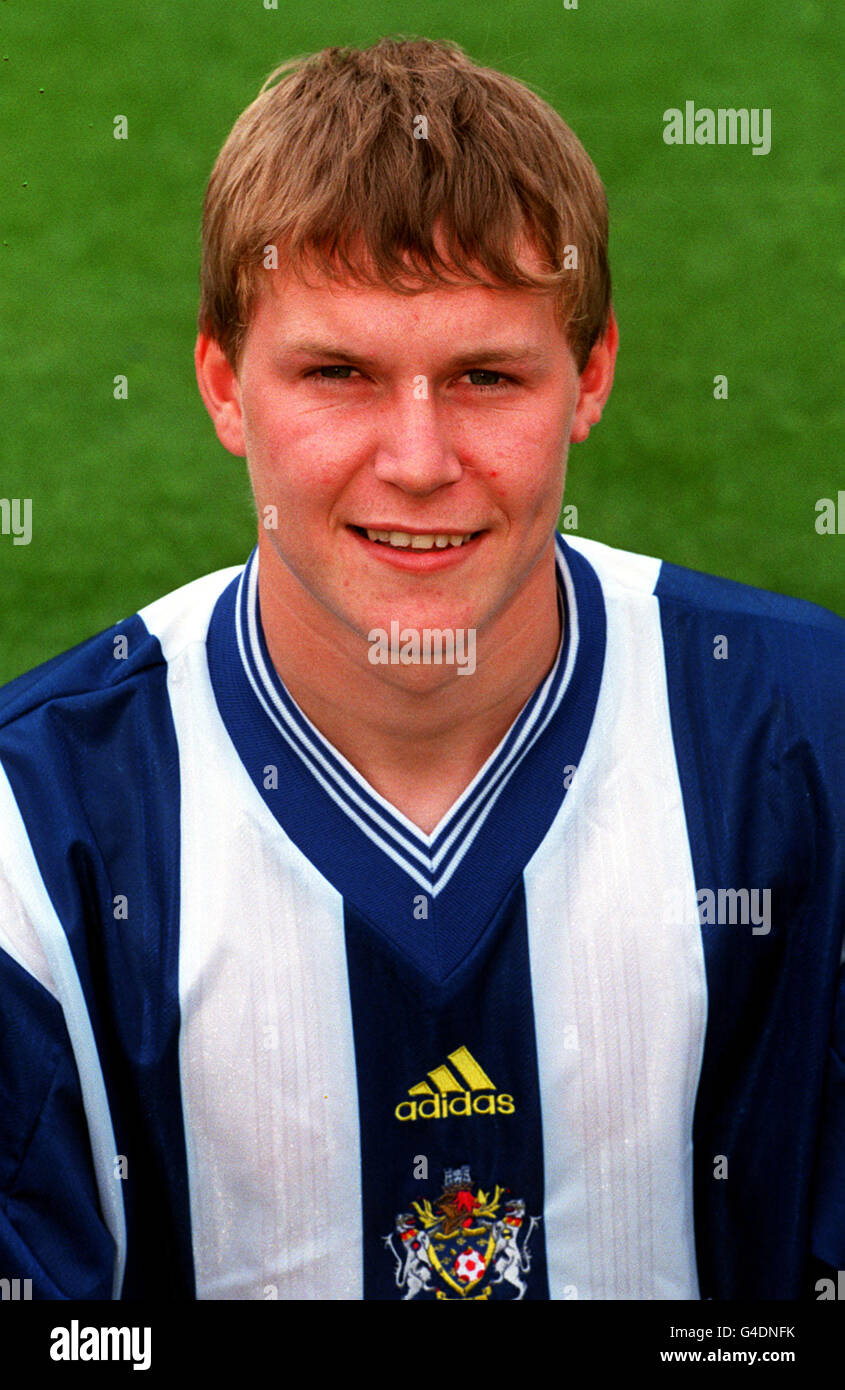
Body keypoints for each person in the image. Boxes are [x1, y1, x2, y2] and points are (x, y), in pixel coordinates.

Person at [0, 37, 841, 1303]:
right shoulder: (31, 837)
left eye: (484, 376)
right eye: (336, 372)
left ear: (589, 376)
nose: (415, 457)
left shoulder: (809, 742)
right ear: (225, 387)